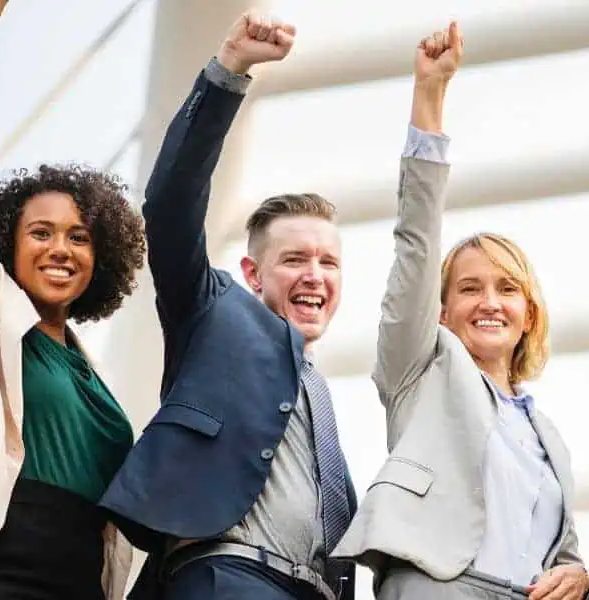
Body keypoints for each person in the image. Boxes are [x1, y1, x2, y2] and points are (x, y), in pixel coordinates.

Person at [99, 10, 356, 600]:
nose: (314, 275)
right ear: (251, 273)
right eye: (294, 260)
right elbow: (170, 206)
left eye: (329, 262)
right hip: (228, 577)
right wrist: (229, 72)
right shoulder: (214, 310)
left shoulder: (317, 390)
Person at [333, 22, 589, 600]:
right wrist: (431, 96)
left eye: (506, 288)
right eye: (469, 289)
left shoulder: (543, 431)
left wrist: (577, 574)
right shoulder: (421, 371)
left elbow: (562, 548)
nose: (489, 302)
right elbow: (416, 244)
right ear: (442, 311)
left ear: (529, 312)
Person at [0, 1, 147, 599]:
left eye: (79, 237)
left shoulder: (94, 375)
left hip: (76, 579)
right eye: (40, 233)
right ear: (6, 244)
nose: (60, 250)